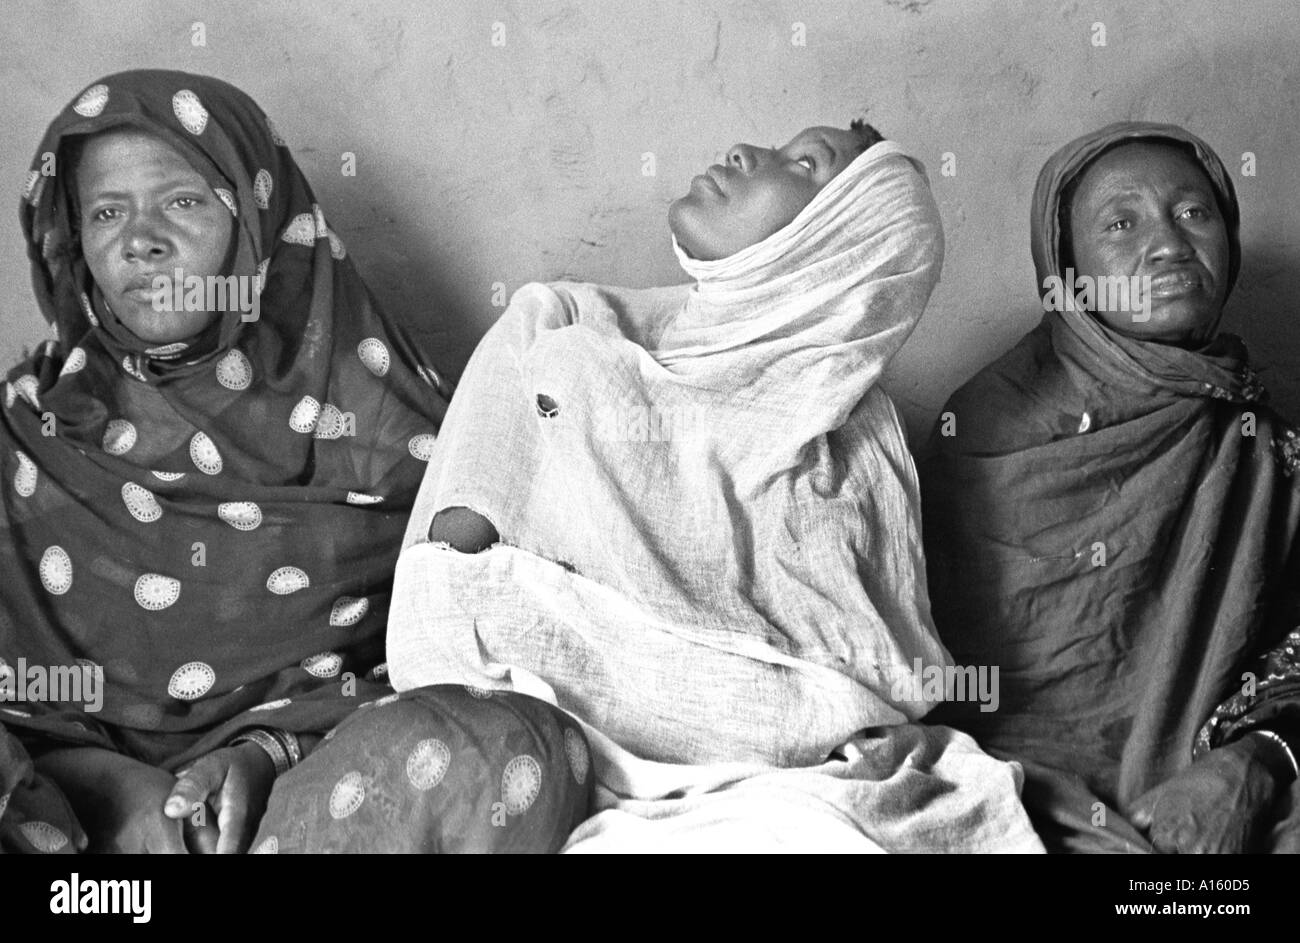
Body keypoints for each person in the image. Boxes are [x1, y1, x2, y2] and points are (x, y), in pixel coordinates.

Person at [386, 121, 1044, 852]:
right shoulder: (564, 321)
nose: (745, 153)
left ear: (840, 244)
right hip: (528, 732)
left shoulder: (854, 440)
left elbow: (848, 693)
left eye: (802, 162)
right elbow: (450, 600)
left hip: (763, 788)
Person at [0, 70, 590, 854]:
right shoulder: (30, 431)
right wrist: (115, 792)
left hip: (300, 806)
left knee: (511, 745)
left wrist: (262, 754)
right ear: (74, 242)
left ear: (257, 218)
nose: (140, 239)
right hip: (78, 822)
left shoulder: (378, 417)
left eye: (181, 201)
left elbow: (462, 650)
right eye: (107, 211)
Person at [920, 121, 1300, 853]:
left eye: (1194, 213)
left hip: (1226, 784)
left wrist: (1250, 763)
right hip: (1011, 796)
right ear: (1066, 268)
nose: (1168, 244)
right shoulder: (986, 430)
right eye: (1121, 223)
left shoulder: (1267, 453)